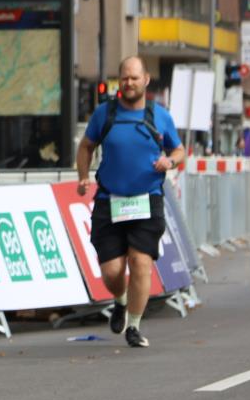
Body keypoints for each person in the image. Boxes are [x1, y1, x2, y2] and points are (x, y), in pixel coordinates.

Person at [76, 56, 186, 348]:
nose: (129, 83)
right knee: (112, 272)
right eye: (124, 78)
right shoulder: (104, 114)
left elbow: (179, 150)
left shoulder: (159, 115)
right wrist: (83, 176)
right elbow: (86, 146)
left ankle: (134, 327)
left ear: (146, 80)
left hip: (147, 199)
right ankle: (120, 300)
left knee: (140, 262)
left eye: (134, 78)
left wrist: (169, 161)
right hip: (109, 200)